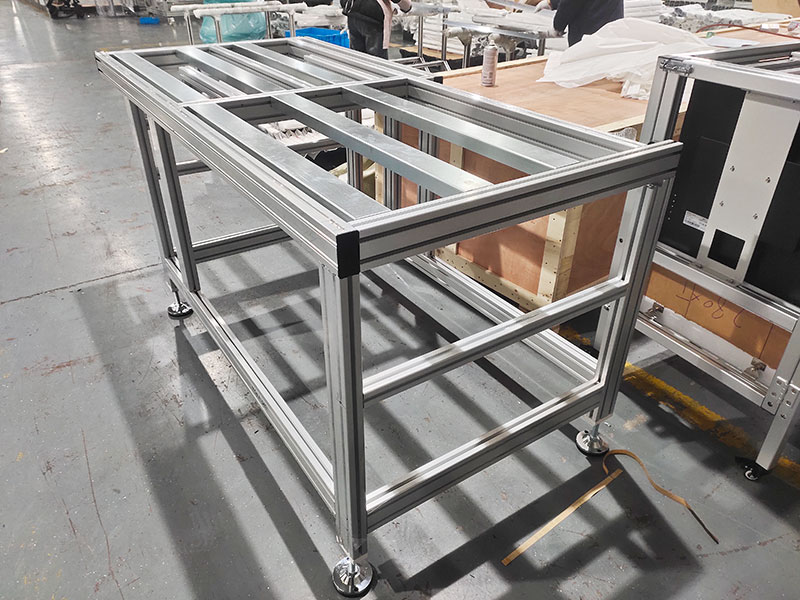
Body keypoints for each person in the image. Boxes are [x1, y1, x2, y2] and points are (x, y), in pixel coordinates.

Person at [534, 0, 624, 46]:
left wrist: (557, 26)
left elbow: (572, 2)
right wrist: (552, 3)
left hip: (590, 29)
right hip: (611, 27)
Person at [342, 0, 412, 58]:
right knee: (376, 60)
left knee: (357, 57)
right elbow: (406, 6)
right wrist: (407, 6)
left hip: (353, 12)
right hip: (373, 19)